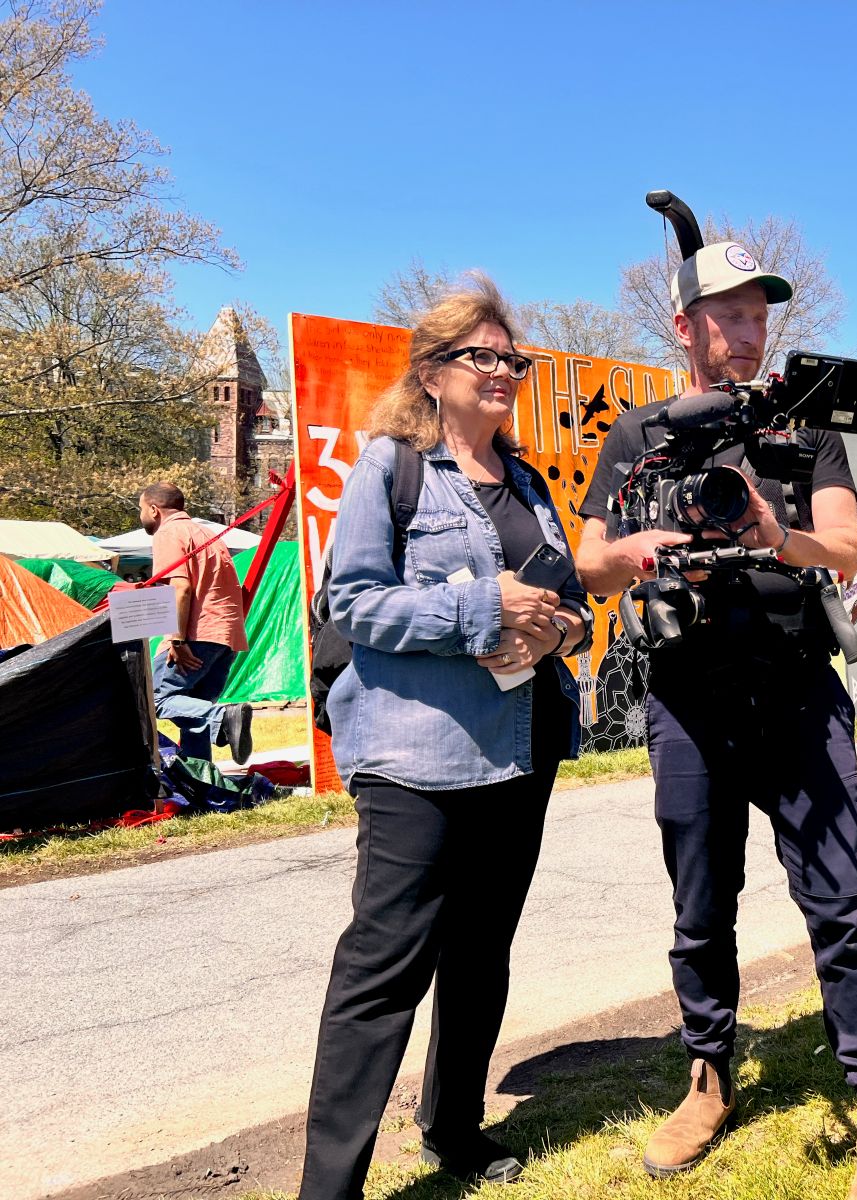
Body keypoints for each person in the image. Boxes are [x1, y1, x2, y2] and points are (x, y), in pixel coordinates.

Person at [575, 242, 857, 1199]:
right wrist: (633, 548)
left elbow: (844, 545)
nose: (749, 329)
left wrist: (773, 533)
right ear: (684, 326)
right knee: (699, 904)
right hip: (687, 692)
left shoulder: (808, 432)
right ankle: (708, 1078)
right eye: (727, 314)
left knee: (843, 900)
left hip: (799, 685)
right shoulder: (639, 435)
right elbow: (589, 562)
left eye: (760, 312)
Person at [299, 277, 593, 1200]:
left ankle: (454, 1131)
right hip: (414, 759)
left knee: (482, 955)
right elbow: (352, 603)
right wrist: (480, 604)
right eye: (486, 356)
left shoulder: (533, 482)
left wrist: (562, 631)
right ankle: (329, 1187)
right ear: (433, 371)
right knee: (384, 970)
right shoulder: (390, 467)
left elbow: (572, 609)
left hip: (523, 748)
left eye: (516, 359)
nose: (505, 371)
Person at [140, 482, 253, 762]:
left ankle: (224, 716)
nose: (140, 516)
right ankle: (203, 782)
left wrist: (176, 640)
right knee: (194, 714)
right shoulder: (206, 533)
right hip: (226, 635)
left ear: (154, 510)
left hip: (196, 634)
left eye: (140, 510)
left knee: (152, 699)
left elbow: (181, 588)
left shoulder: (169, 533)